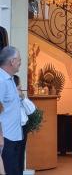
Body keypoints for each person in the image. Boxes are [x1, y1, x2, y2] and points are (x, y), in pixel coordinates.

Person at [0, 46, 23, 175]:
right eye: (19, 59)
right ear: (12, 61)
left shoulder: (10, 79)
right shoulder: (1, 81)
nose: (20, 62)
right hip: (5, 140)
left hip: (13, 138)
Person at [13, 75, 36, 174]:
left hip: (22, 127)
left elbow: (31, 110)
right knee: (11, 154)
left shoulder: (22, 97)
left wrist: (22, 98)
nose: (20, 87)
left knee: (20, 154)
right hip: (11, 128)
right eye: (19, 85)